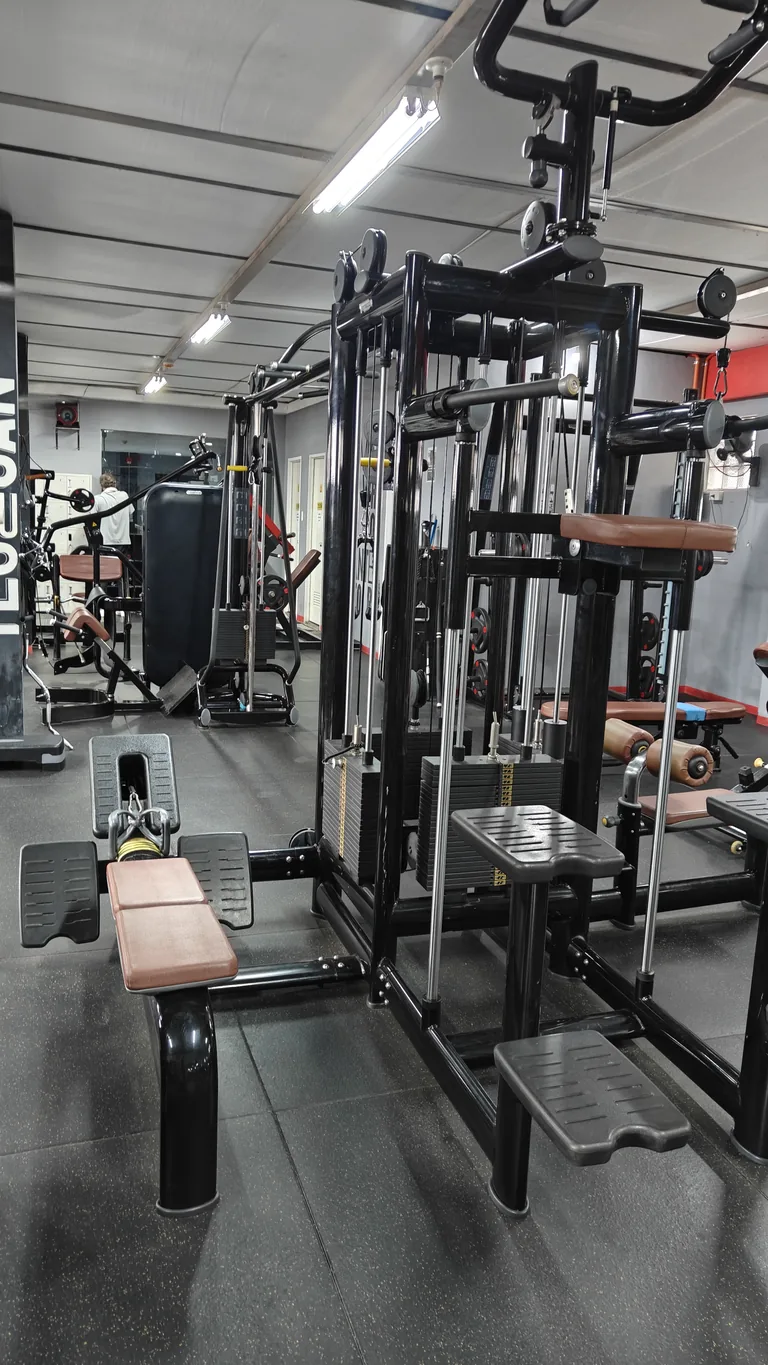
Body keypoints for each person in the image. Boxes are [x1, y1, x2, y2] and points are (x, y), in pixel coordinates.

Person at [91, 473, 131, 549]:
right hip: (123, 541)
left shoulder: (98, 499)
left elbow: (92, 519)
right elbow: (130, 514)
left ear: (101, 485)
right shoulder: (125, 496)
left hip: (105, 541)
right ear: (115, 484)